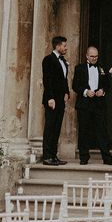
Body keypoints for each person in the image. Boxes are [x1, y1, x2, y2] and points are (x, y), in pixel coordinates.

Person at [72, 45, 112, 166]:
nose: (94, 59)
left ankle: (107, 158)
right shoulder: (79, 68)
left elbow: (107, 84)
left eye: (96, 57)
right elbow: (75, 85)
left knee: (102, 131)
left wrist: (103, 91)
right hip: (84, 104)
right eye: (92, 56)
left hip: (99, 104)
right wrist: (86, 92)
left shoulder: (102, 68)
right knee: (84, 131)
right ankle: (84, 157)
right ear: (87, 56)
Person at [41, 35, 70, 166]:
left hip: (60, 99)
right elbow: (48, 80)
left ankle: (54, 155)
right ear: (57, 46)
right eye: (64, 45)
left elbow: (64, 80)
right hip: (52, 99)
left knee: (57, 127)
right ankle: (47, 156)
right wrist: (50, 98)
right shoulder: (48, 60)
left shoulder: (63, 61)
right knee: (50, 127)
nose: (66, 48)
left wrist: (67, 93)